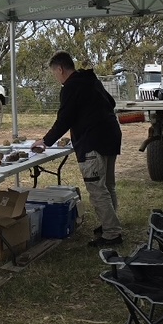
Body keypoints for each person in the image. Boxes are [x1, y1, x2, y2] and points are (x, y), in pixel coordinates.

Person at [33, 51, 123, 246]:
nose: (56, 78)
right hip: (111, 135)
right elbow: (112, 102)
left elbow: (64, 119)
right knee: (108, 185)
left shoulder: (71, 87)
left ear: (60, 69)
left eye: (54, 74)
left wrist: (45, 141)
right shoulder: (91, 80)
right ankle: (109, 224)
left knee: (97, 189)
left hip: (93, 142)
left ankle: (112, 233)